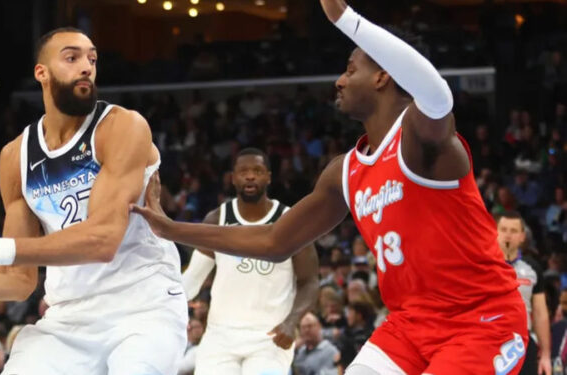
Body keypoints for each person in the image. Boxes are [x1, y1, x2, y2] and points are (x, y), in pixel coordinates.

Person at [131, 0, 528, 373]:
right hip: (409, 326)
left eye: (351, 69)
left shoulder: (420, 139)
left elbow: (438, 95)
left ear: (383, 74)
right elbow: (274, 241)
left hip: (481, 320)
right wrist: (171, 228)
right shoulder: (345, 171)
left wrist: (345, 18)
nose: (339, 81)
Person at [0, 26, 186, 375]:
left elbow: (103, 240)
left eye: (92, 58)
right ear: (41, 73)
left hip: (144, 308)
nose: (87, 66)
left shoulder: (121, 127)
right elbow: (18, 281)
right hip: (69, 316)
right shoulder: (15, 156)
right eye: (72, 57)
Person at [182, 147, 320, 375]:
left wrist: (292, 321)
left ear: (269, 177)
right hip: (220, 336)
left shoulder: (291, 222)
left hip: (270, 337)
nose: (250, 175)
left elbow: (310, 281)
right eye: (243, 171)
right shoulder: (217, 219)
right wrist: (159, 302)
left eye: (257, 170)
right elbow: (193, 279)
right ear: (233, 178)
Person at [497, 211, 552, 375]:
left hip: (523, 341)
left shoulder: (532, 269)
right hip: (489, 337)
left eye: (513, 231)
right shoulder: (481, 266)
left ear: (522, 236)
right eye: (504, 229)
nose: (508, 235)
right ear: (495, 233)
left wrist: (546, 356)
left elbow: (541, 314)